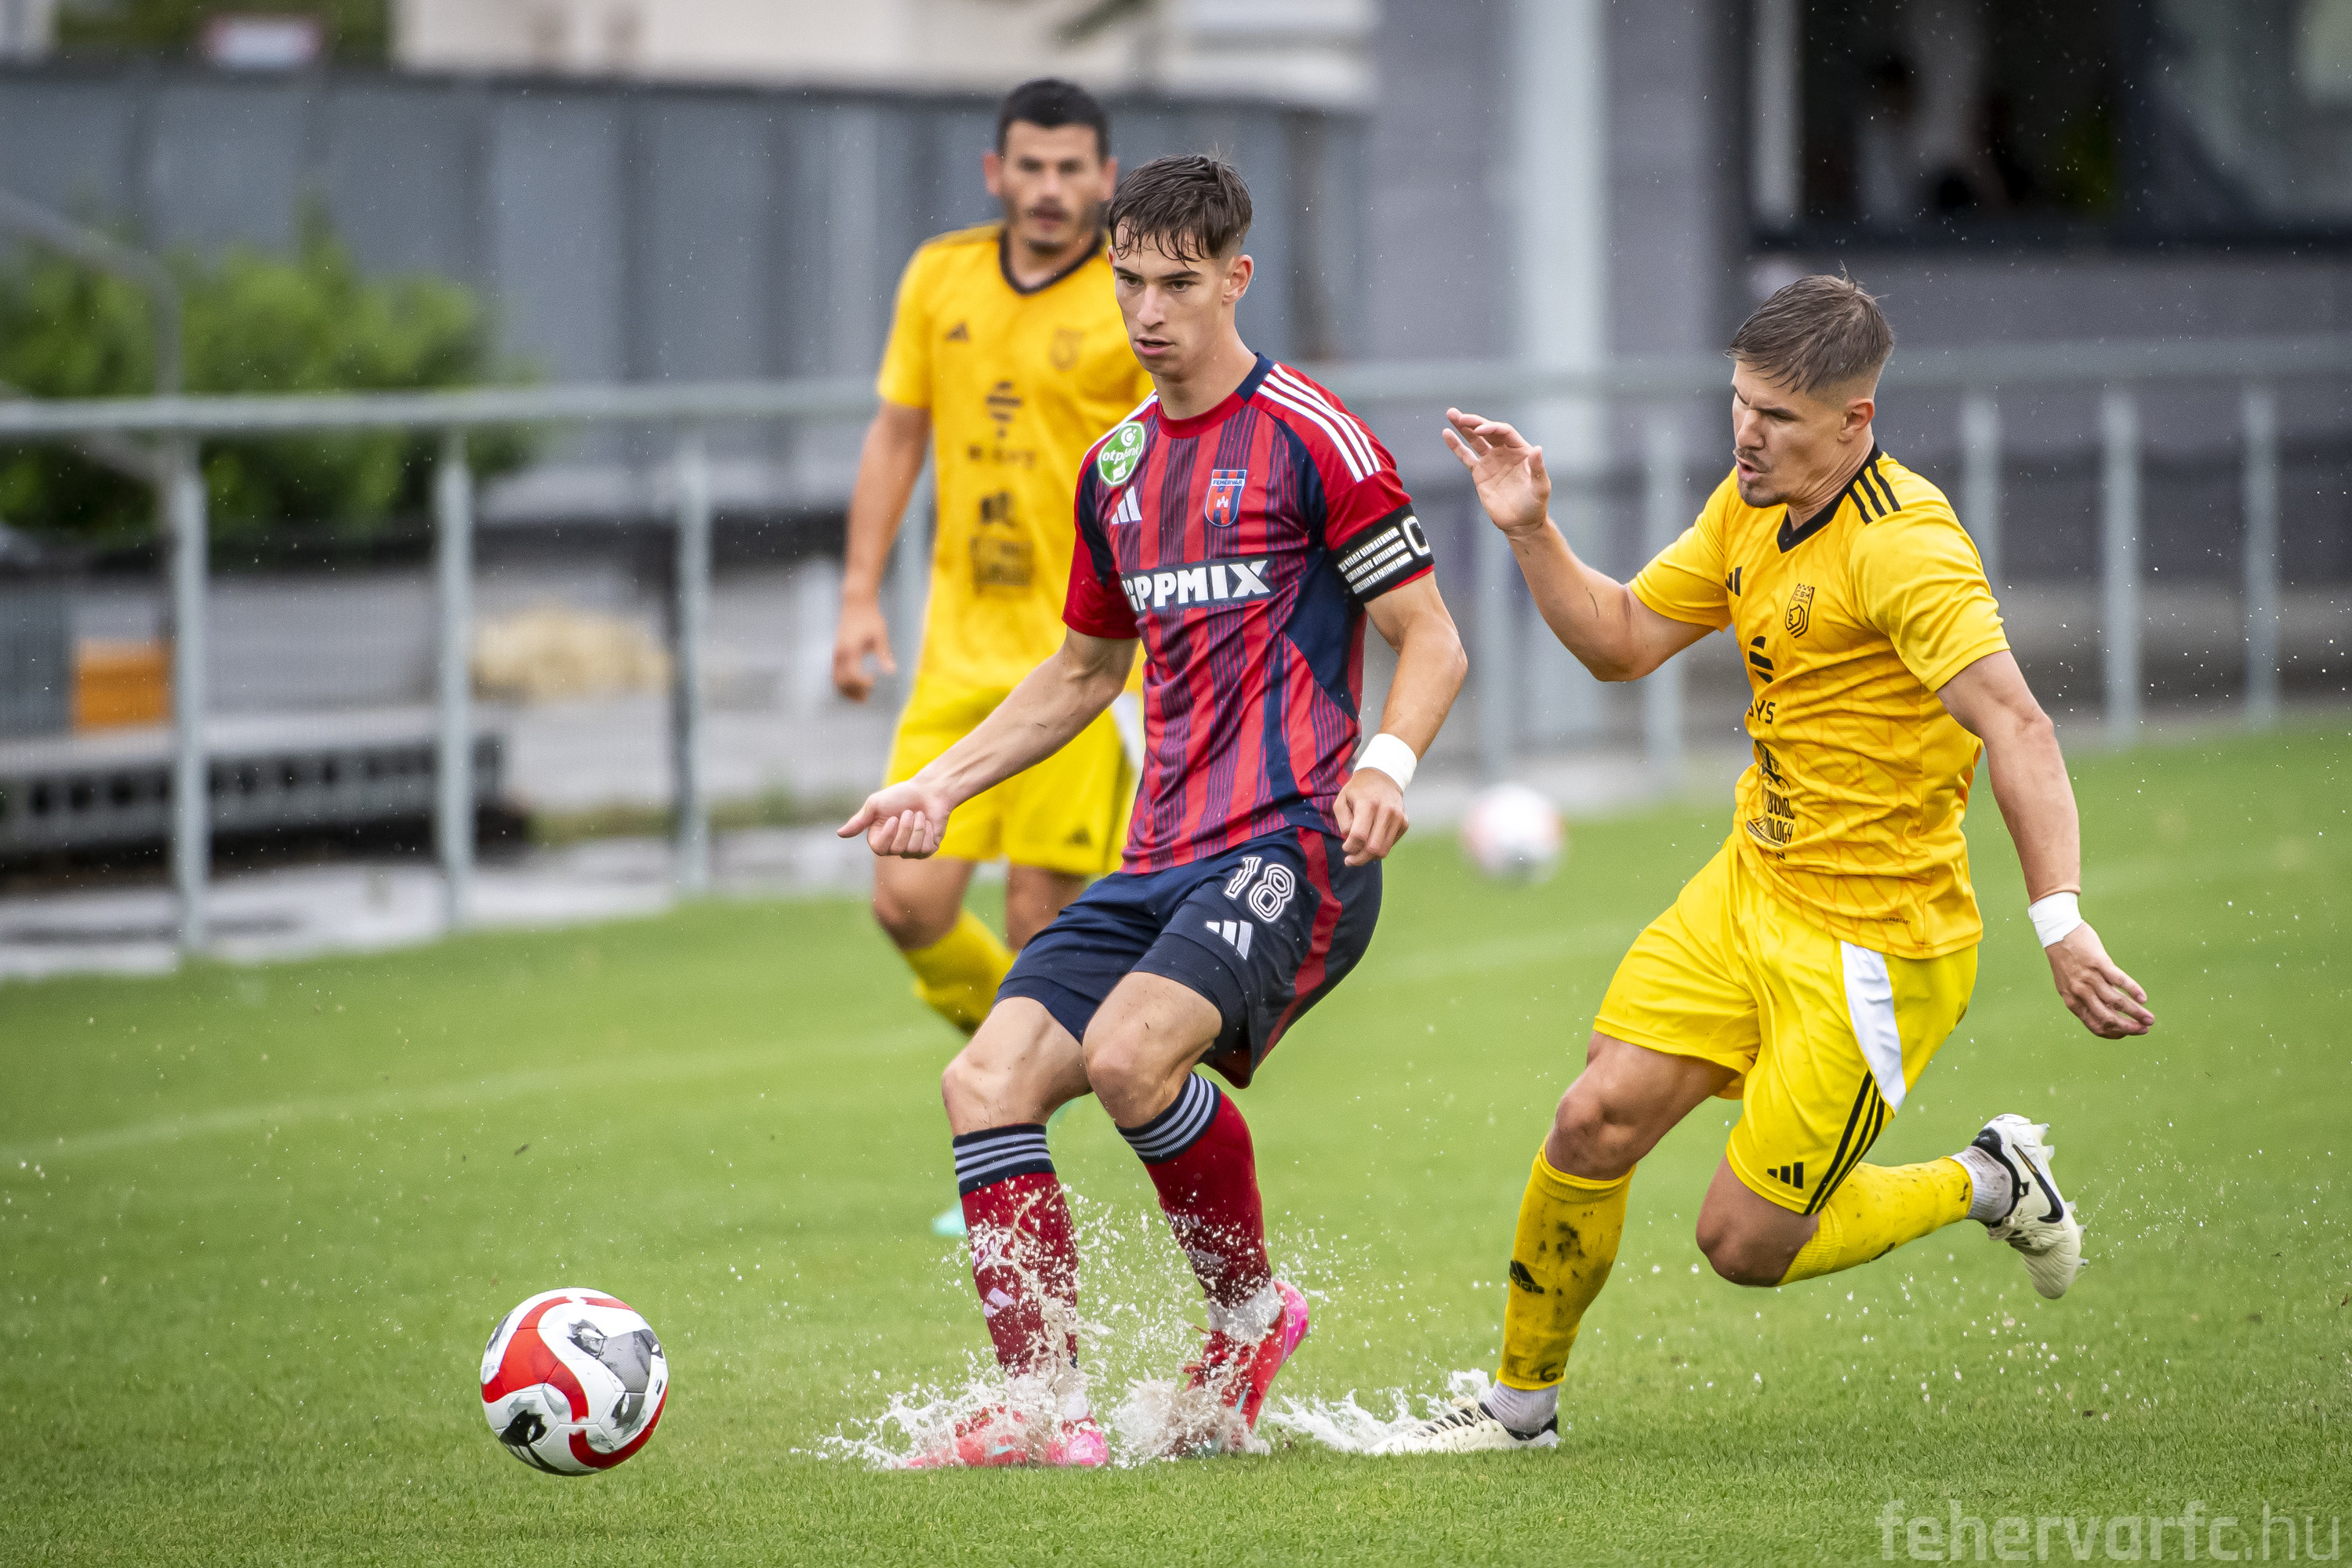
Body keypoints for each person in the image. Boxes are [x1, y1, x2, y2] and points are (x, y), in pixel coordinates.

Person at [1380, 274, 2154, 1455]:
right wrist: (1531, 529)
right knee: (1592, 1119)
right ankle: (1517, 1408)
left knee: (1743, 1246)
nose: (1746, 432)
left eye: (1779, 416)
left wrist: (2061, 919)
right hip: (1751, 889)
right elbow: (1622, 641)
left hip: (1874, 946)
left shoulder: (1906, 550)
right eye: (1739, 401)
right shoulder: (1749, 502)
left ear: (1855, 421)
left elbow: (2019, 724)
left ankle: (1989, 1179)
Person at [838, 154, 1468, 1468]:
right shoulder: (1115, 466)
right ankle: (1044, 1404)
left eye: (1177, 283)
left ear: (1237, 278)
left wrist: (1387, 768)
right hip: (1159, 855)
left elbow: (1433, 639)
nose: (1146, 311)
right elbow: (1084, 672)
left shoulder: (1316, 437)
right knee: (983, 1080)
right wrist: (938, 783)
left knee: (1130, 1059)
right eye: (1128, 281)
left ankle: (1250, 1318)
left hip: (1294, 842)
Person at [833, 78, 1153, 1051]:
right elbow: (898, 433)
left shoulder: (1134, 296)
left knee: (1036, 925)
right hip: (958, 655)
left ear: (1104, 176)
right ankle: (1022, 1075)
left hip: (1087, 659)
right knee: (907, 903)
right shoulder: (942, 276)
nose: (1049, 187)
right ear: (995, 171)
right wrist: (858, 596)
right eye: (1031, 166)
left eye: (1070, 168)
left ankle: (1015, 1112)